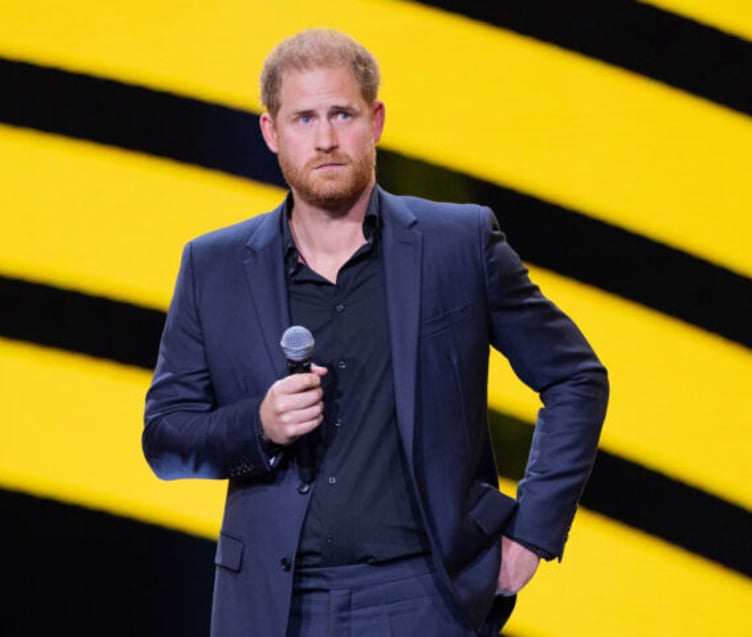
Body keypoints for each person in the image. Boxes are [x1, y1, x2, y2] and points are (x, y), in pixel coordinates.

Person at [143, 28, 609, 637]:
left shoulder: (457, 243)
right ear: (270, 132)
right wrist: (258, 425)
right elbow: (166, 437)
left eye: (343, 113)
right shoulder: (214, 266)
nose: (327, 138)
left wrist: (531, 534)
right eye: (304, 118)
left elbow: (575, 376)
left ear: (377, 120)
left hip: (427, 595)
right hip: (276, 605)